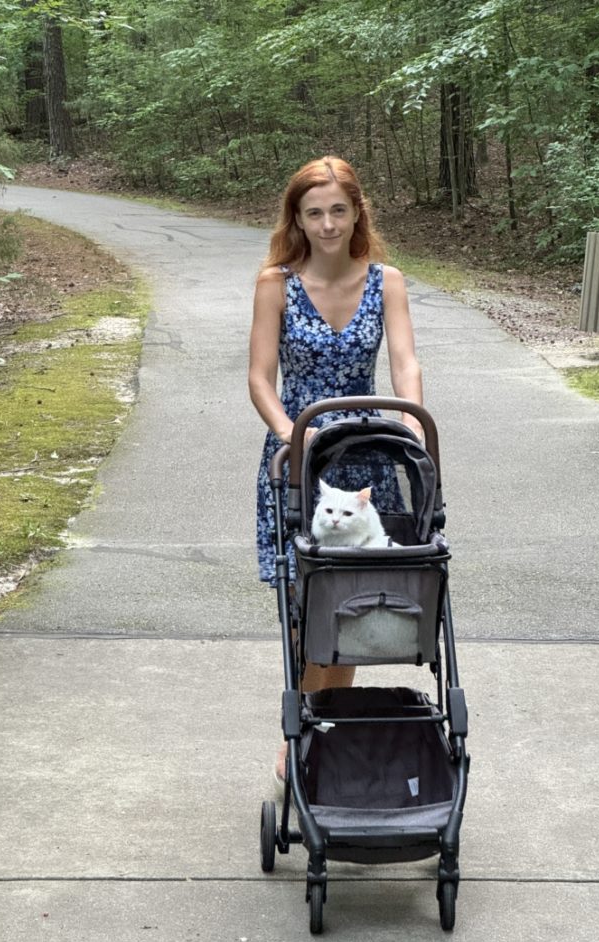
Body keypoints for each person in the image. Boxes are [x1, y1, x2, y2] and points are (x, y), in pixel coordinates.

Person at [248, 155, 423, 783]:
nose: (327, 225)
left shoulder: (387, 281)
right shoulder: (276, 282)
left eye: (338, 211)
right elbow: (259, 378)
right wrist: (290, 433)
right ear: (298, 218)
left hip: (369, 452)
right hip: (301, 456)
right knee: (304, 603)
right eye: (314, 213)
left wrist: (412, 421)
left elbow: (405, 363)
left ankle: (331, 722)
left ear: (357, 214)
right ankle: (299, 725)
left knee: (350, 601)